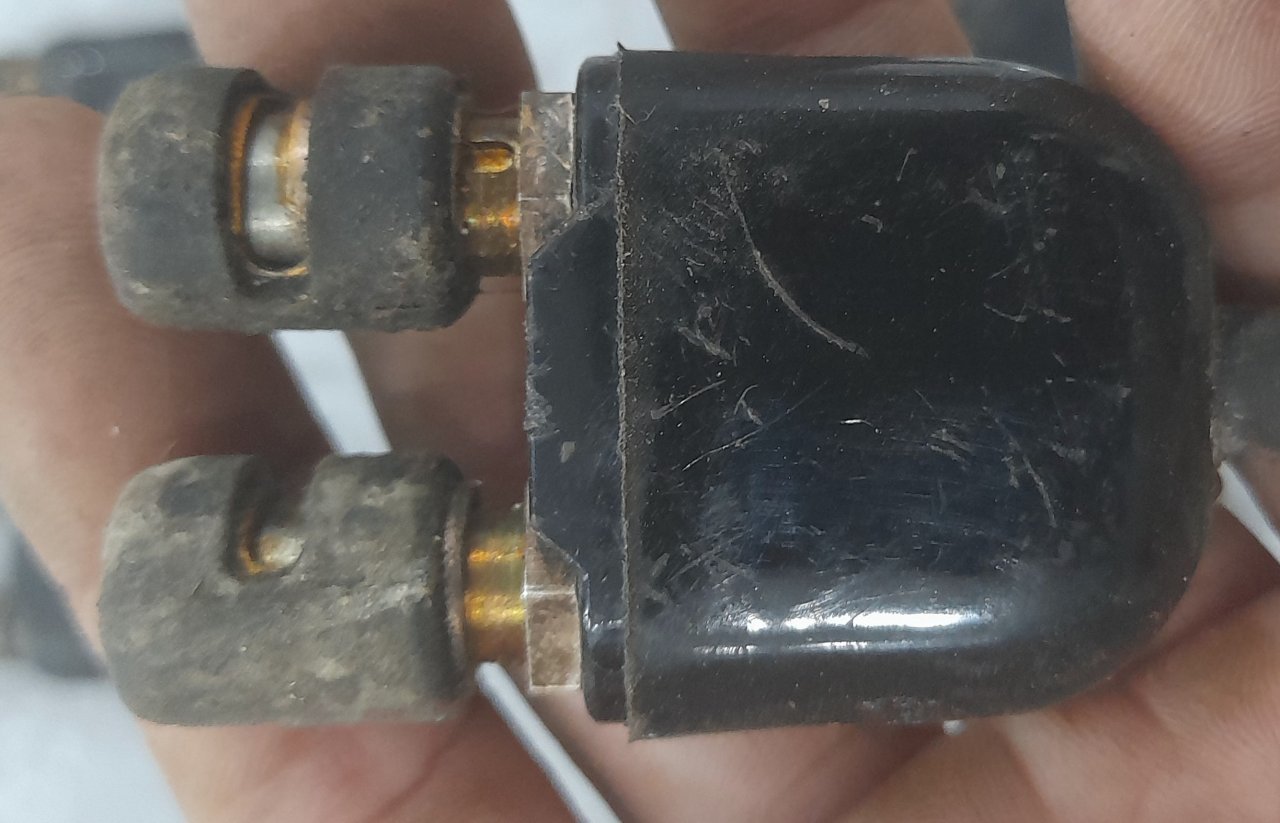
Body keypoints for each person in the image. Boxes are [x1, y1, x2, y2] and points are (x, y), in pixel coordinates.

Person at [0, 1, 1277, 819]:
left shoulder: (1102, 204)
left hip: (631, 377)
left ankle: (335, 200)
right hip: (618, 521)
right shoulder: (1099, 573)